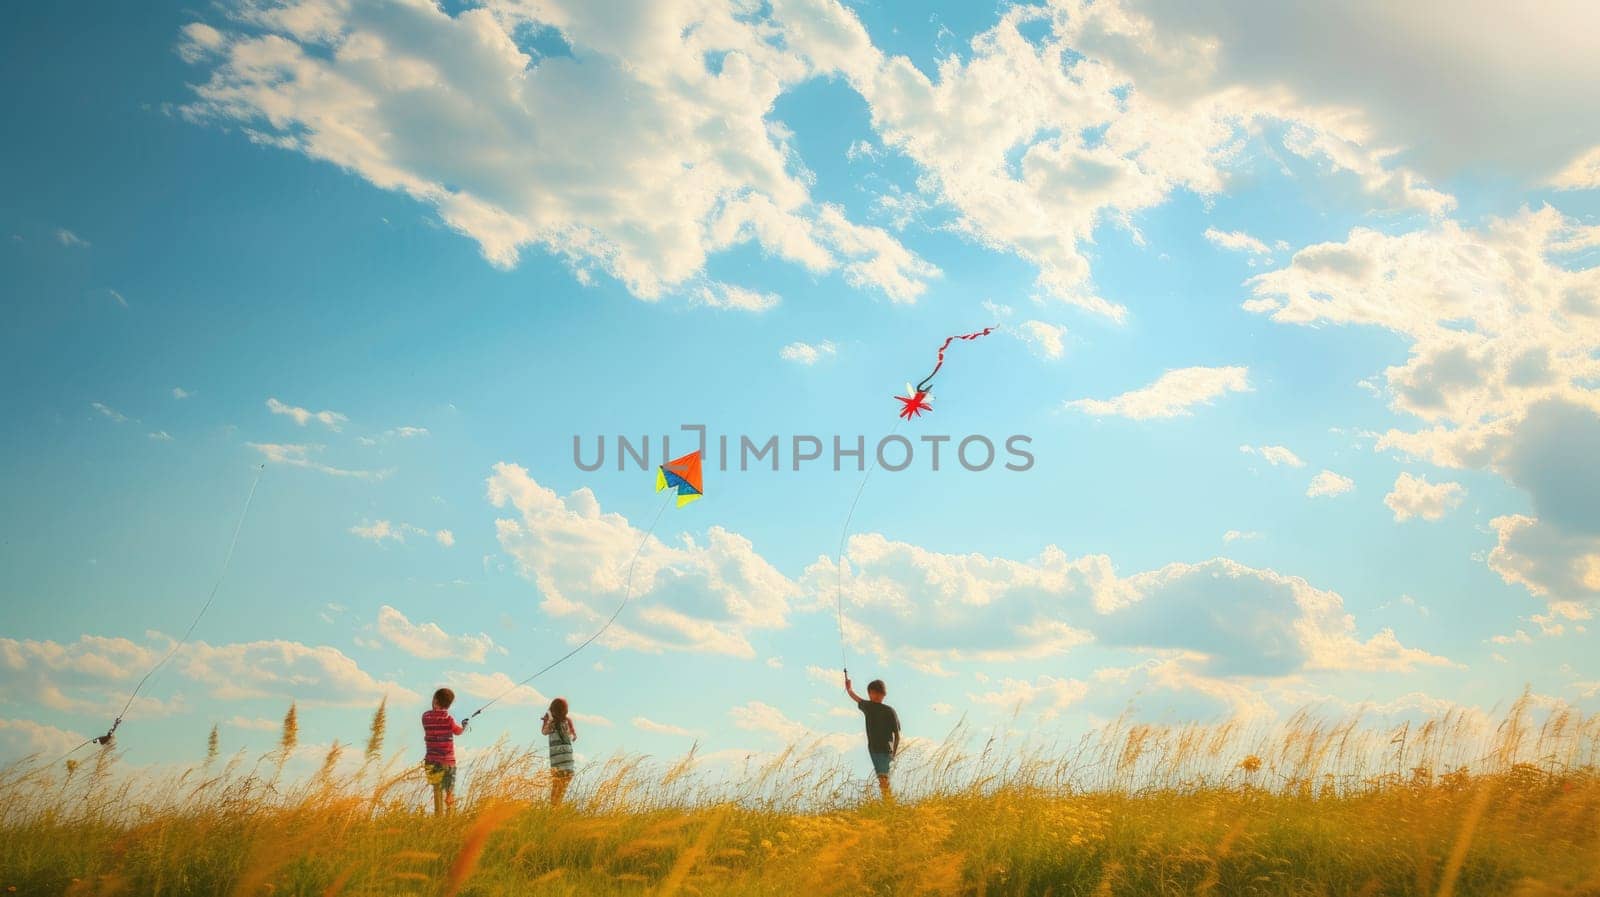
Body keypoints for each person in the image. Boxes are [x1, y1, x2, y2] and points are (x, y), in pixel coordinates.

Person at [844, 674, 900, 800]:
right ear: (869, 693)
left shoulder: (889, 711)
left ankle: (889, 803)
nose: (875, 696)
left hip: (885, 749)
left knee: (883, 779)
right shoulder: (868, 706)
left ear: (884, 694)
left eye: (878, 693)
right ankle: (888, 802)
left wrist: (894, 753)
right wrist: (849, 689)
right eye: (873, 693)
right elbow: (856, 698)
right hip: (873, 749)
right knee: (882, 779)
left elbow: (897, 735)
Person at [422, 687, 467, 815]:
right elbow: (457, 731)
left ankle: (438, 816)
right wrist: (464, 726)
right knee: (449, 792)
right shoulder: (449, 719)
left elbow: (429, 723)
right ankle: (449, 817)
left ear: (435, 700)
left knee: (437, 790)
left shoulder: (425, 716)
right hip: (447, 762)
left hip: (431, 760)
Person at [541, 697, 578, 806]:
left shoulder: (551, 722)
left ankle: (554, 809)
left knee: (555, 786)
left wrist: (548, 720)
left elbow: (544, 732)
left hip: (556, 760)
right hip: (567, 759)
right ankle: (556, 808)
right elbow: (573, 737)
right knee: (562, 787)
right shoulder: (567, 721)